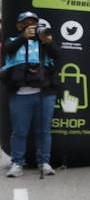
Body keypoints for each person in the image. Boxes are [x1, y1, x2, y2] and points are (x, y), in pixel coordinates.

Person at [4, 11, 60, 177]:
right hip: (20, 94)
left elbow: (57, 55)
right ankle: (17, 163)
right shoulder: (13, 41)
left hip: (44, 93)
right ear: (19, 26)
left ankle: (44, 162)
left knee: (44, 130)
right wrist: (23, 37)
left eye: (33, 23)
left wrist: (49, 43)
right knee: (19, 131)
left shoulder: (44, 42)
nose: (30, 25)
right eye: (26, 23)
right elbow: (8, 50)